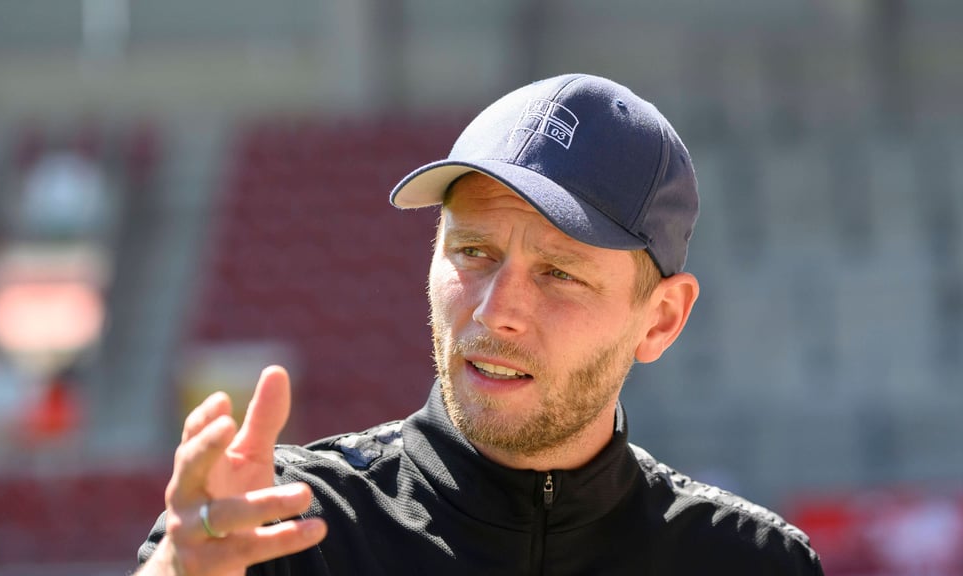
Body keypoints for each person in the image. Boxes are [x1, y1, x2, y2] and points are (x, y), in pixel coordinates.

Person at [136, 73, 825, 575]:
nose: (495, 310)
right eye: (473, 253)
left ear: (662, 319)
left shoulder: (750, 563)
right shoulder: (285, 528)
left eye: (559, 272)